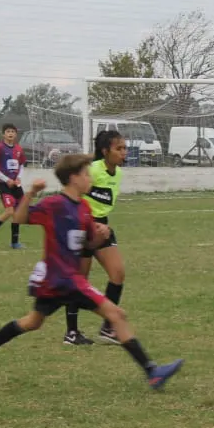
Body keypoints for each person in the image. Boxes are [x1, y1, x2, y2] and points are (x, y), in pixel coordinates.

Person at [0, 154, 183, 390]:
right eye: (86, 174)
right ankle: (152, 372)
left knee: (33, 322)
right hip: (65, 280)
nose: (90, 179)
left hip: (56, 282)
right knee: (117, 315)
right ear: (74, 178)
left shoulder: (84, 208)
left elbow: (88, 244)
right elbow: (20, 217)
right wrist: (31, 192)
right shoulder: (54, 204)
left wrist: (101, 235)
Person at [63, 130, 128, 346]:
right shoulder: (93, 170)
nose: (124, 152)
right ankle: (72, 332)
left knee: (118, 273)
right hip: (81, 225)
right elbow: (72, 191)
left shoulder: (118, 174)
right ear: (105, 151)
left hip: (102, 226)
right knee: (80, 280)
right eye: (119, 148)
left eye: (124, 148)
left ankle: (108, 327)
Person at [0, 123, 27, 250]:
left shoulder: (19, 149)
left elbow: (22, 166)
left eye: (13, 131)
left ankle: (15, 242)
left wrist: (19, 177)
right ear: (3, 134)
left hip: (16, 184)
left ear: (16, 134)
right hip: (3, 183)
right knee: (9, 211)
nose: (10, 134)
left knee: (18, 213)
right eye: (8, 131)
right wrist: (6, 179)